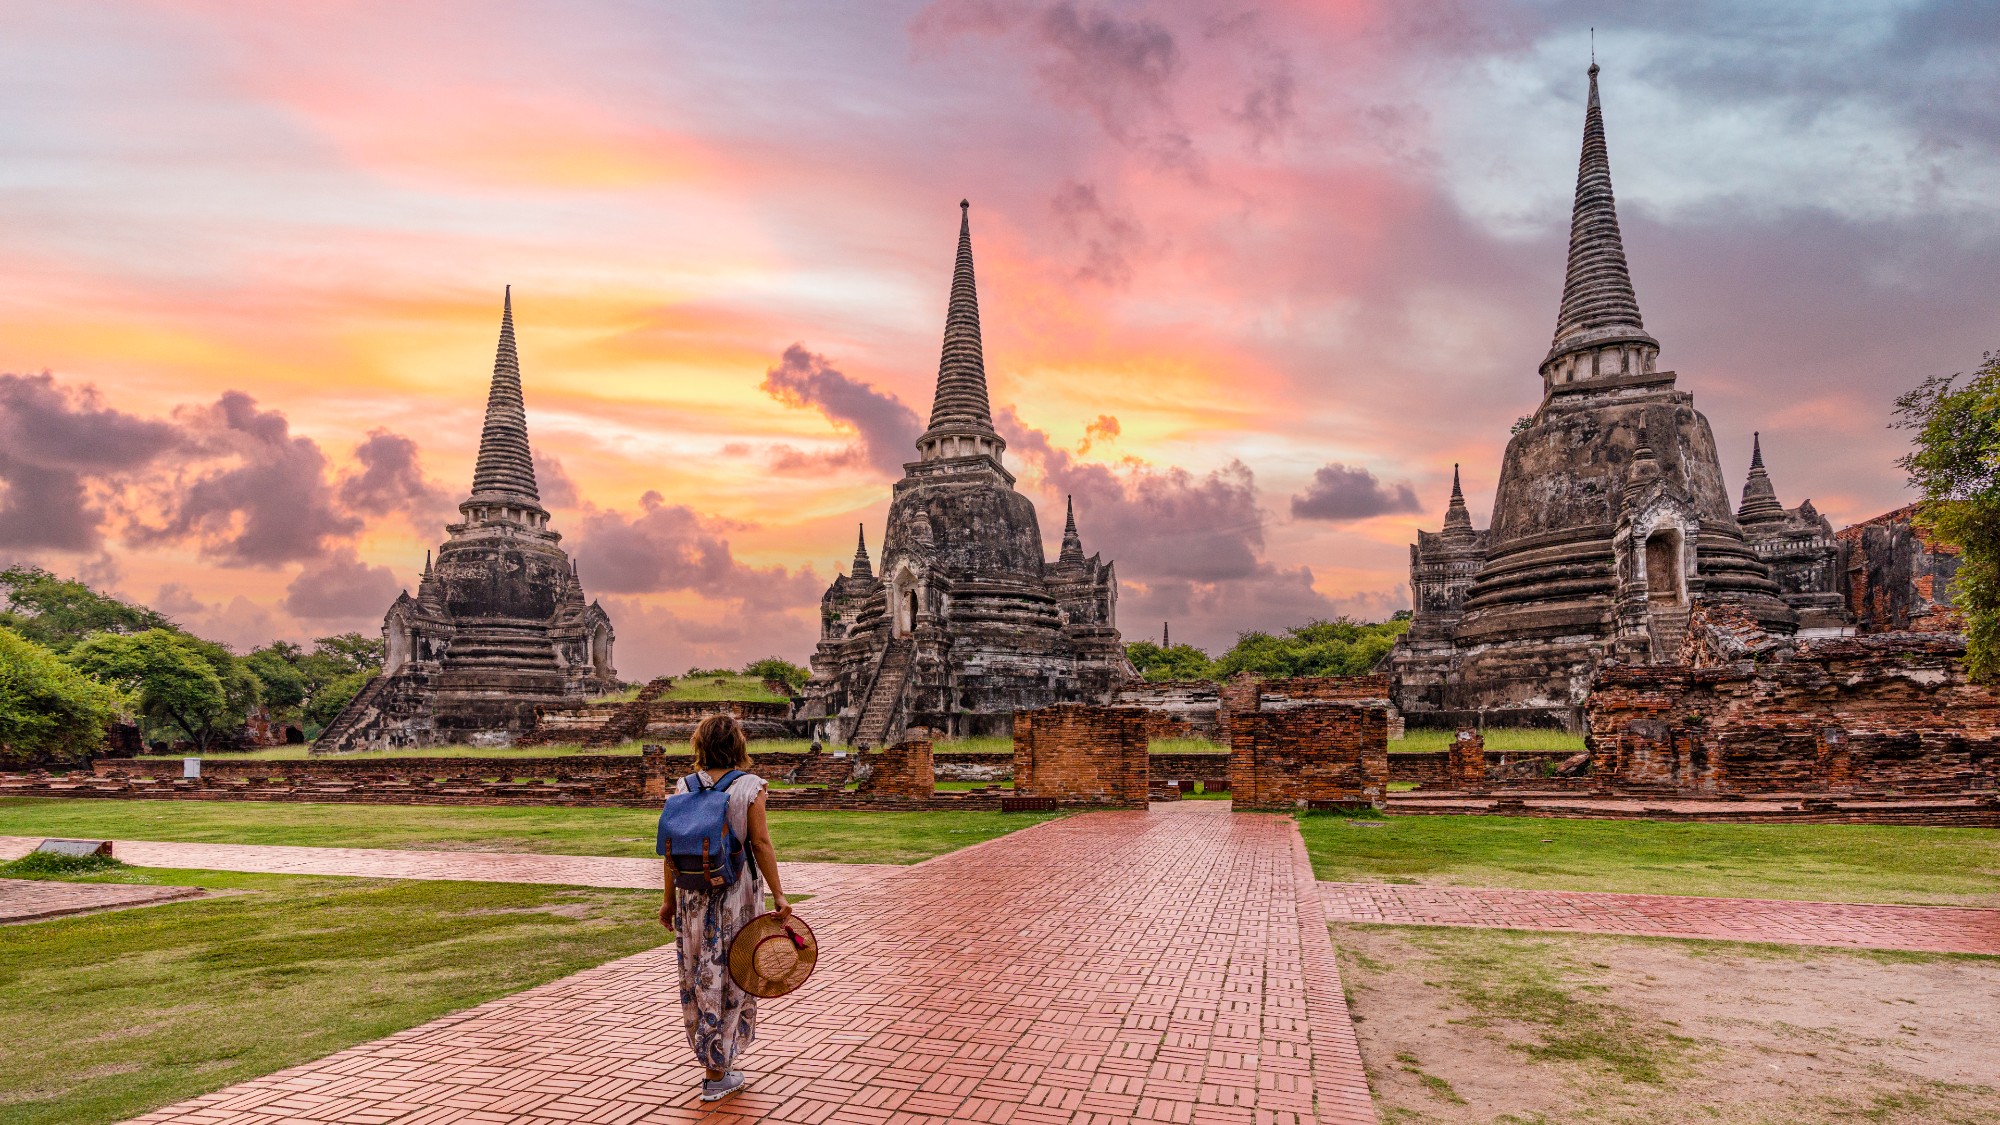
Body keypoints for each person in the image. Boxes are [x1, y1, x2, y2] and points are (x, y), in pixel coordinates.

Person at [657, 713, 792, 1101]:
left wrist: (668, 900)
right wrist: (780, 894)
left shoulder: (685, 785)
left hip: (693, 894)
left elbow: (672, 851)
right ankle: (717, 1070)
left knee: (701, 968)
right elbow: (761, 844)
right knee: (734, 969)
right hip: (737, 893)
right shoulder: (751, 786)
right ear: (738, 745)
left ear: (700, 745)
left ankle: (712, 1057)